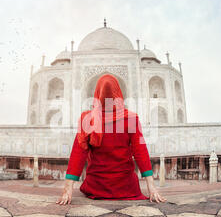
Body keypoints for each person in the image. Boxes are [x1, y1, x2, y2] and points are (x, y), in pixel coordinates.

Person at [57, 74, 166, 205]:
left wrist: (68, 188)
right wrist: (151, 188)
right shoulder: (130, 118)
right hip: (127, 188)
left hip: (96, 188)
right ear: (118, 94)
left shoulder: (89, 119)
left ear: (97, 94)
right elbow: (140, 151)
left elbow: (78, 153)